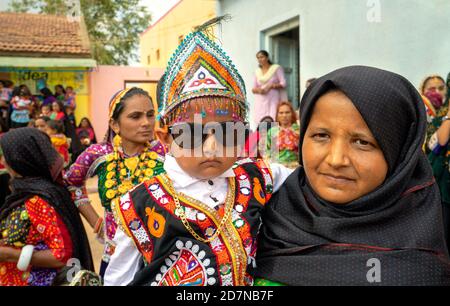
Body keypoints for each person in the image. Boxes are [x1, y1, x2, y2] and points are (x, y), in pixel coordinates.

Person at [104, 27, 293, 286]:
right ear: (165, 137)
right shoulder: (138, 204)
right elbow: (118, 280)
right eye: (193, 134)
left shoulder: (259, 176)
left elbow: (314, 183)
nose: (212, 147)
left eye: (228, 133)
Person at [254, 65, 450, 286]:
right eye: (320, 135)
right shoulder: (258, 213)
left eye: (362, 142)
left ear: (400, 152)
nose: (336, 160)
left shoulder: (421, 251)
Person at [64, 87, 166, 278]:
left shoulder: (165, 153)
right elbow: (72, 183)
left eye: (150, 115)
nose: (146, 123)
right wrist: (96, 222)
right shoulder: (99, 155)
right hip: (114, 256)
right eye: (135, 116)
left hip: (157, 257)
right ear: (115, 124)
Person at [0, 128, 93, 286]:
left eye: (6, 155)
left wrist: (11, 255)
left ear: (20, 158)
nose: (3, 160)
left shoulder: (38, 199)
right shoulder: (28, 190)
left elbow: (61, 254)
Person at [427, 72, 450, 252]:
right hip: (442, 192)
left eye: (441, 88)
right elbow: (437, 143)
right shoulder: (432, 121)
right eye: (431, 89)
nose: (437, 92)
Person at [251, 50, 287, 126]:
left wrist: (271, 86)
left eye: (262, 57)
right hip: (260, 100)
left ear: (267, 57)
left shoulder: (276, 68)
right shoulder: (257, 71)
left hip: (273, 99)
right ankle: (261, 136)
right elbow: (253, 89)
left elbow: (283, 83)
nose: (260, 59)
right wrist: (259, 90)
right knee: (260, 119)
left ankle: (273, 136)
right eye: (258, 58)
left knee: (273, 117)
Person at [266, 101, 300, 168]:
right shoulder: (272, 132)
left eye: (287, 112)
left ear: (292, 114)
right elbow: (267, 152)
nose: (284, 115)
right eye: (281, 113)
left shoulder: (299, 130)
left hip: (296, 168)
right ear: (277, 115)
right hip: (277, 168)